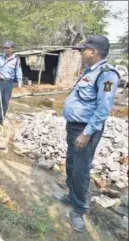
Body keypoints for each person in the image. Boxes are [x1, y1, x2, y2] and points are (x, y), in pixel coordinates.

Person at [57, 35, 120, 232]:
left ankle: (79, 210)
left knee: (81, 170)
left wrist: (86, 133)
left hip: (85, 129)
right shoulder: (89, 72)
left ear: (93, 52)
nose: (81, 52)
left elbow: (103, 109)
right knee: (71, 163)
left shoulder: (107, 75)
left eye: (84, 49)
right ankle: (71, 195)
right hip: (74, 126)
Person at [0, 41, 23, 130]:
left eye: (8, 48)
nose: (6, 50)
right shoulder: (0, 57)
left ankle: (1, 119)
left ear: (12, 49)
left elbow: (18, 71)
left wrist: (20, 83)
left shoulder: (16, 59)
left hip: (9, 83)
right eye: (5, 48)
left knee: (5, 103)